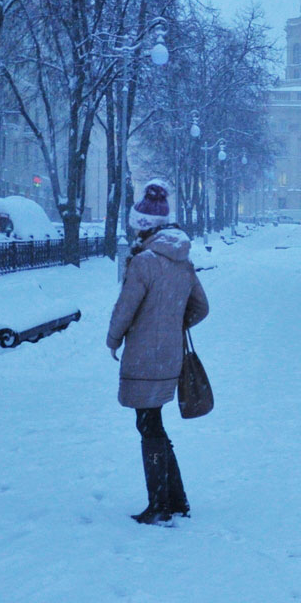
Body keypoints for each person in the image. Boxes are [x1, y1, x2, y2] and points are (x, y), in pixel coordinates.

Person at [107, 180, 209, 525]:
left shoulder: (144, 262)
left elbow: (125, 309)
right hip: (171, 357)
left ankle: (160, 506)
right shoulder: (182, 261)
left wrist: (113, 339)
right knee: (155, 425)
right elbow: (201, 307)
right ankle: (176, 500)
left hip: (143, 359)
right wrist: (172, 324)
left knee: (148, 427)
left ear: (143, 228)